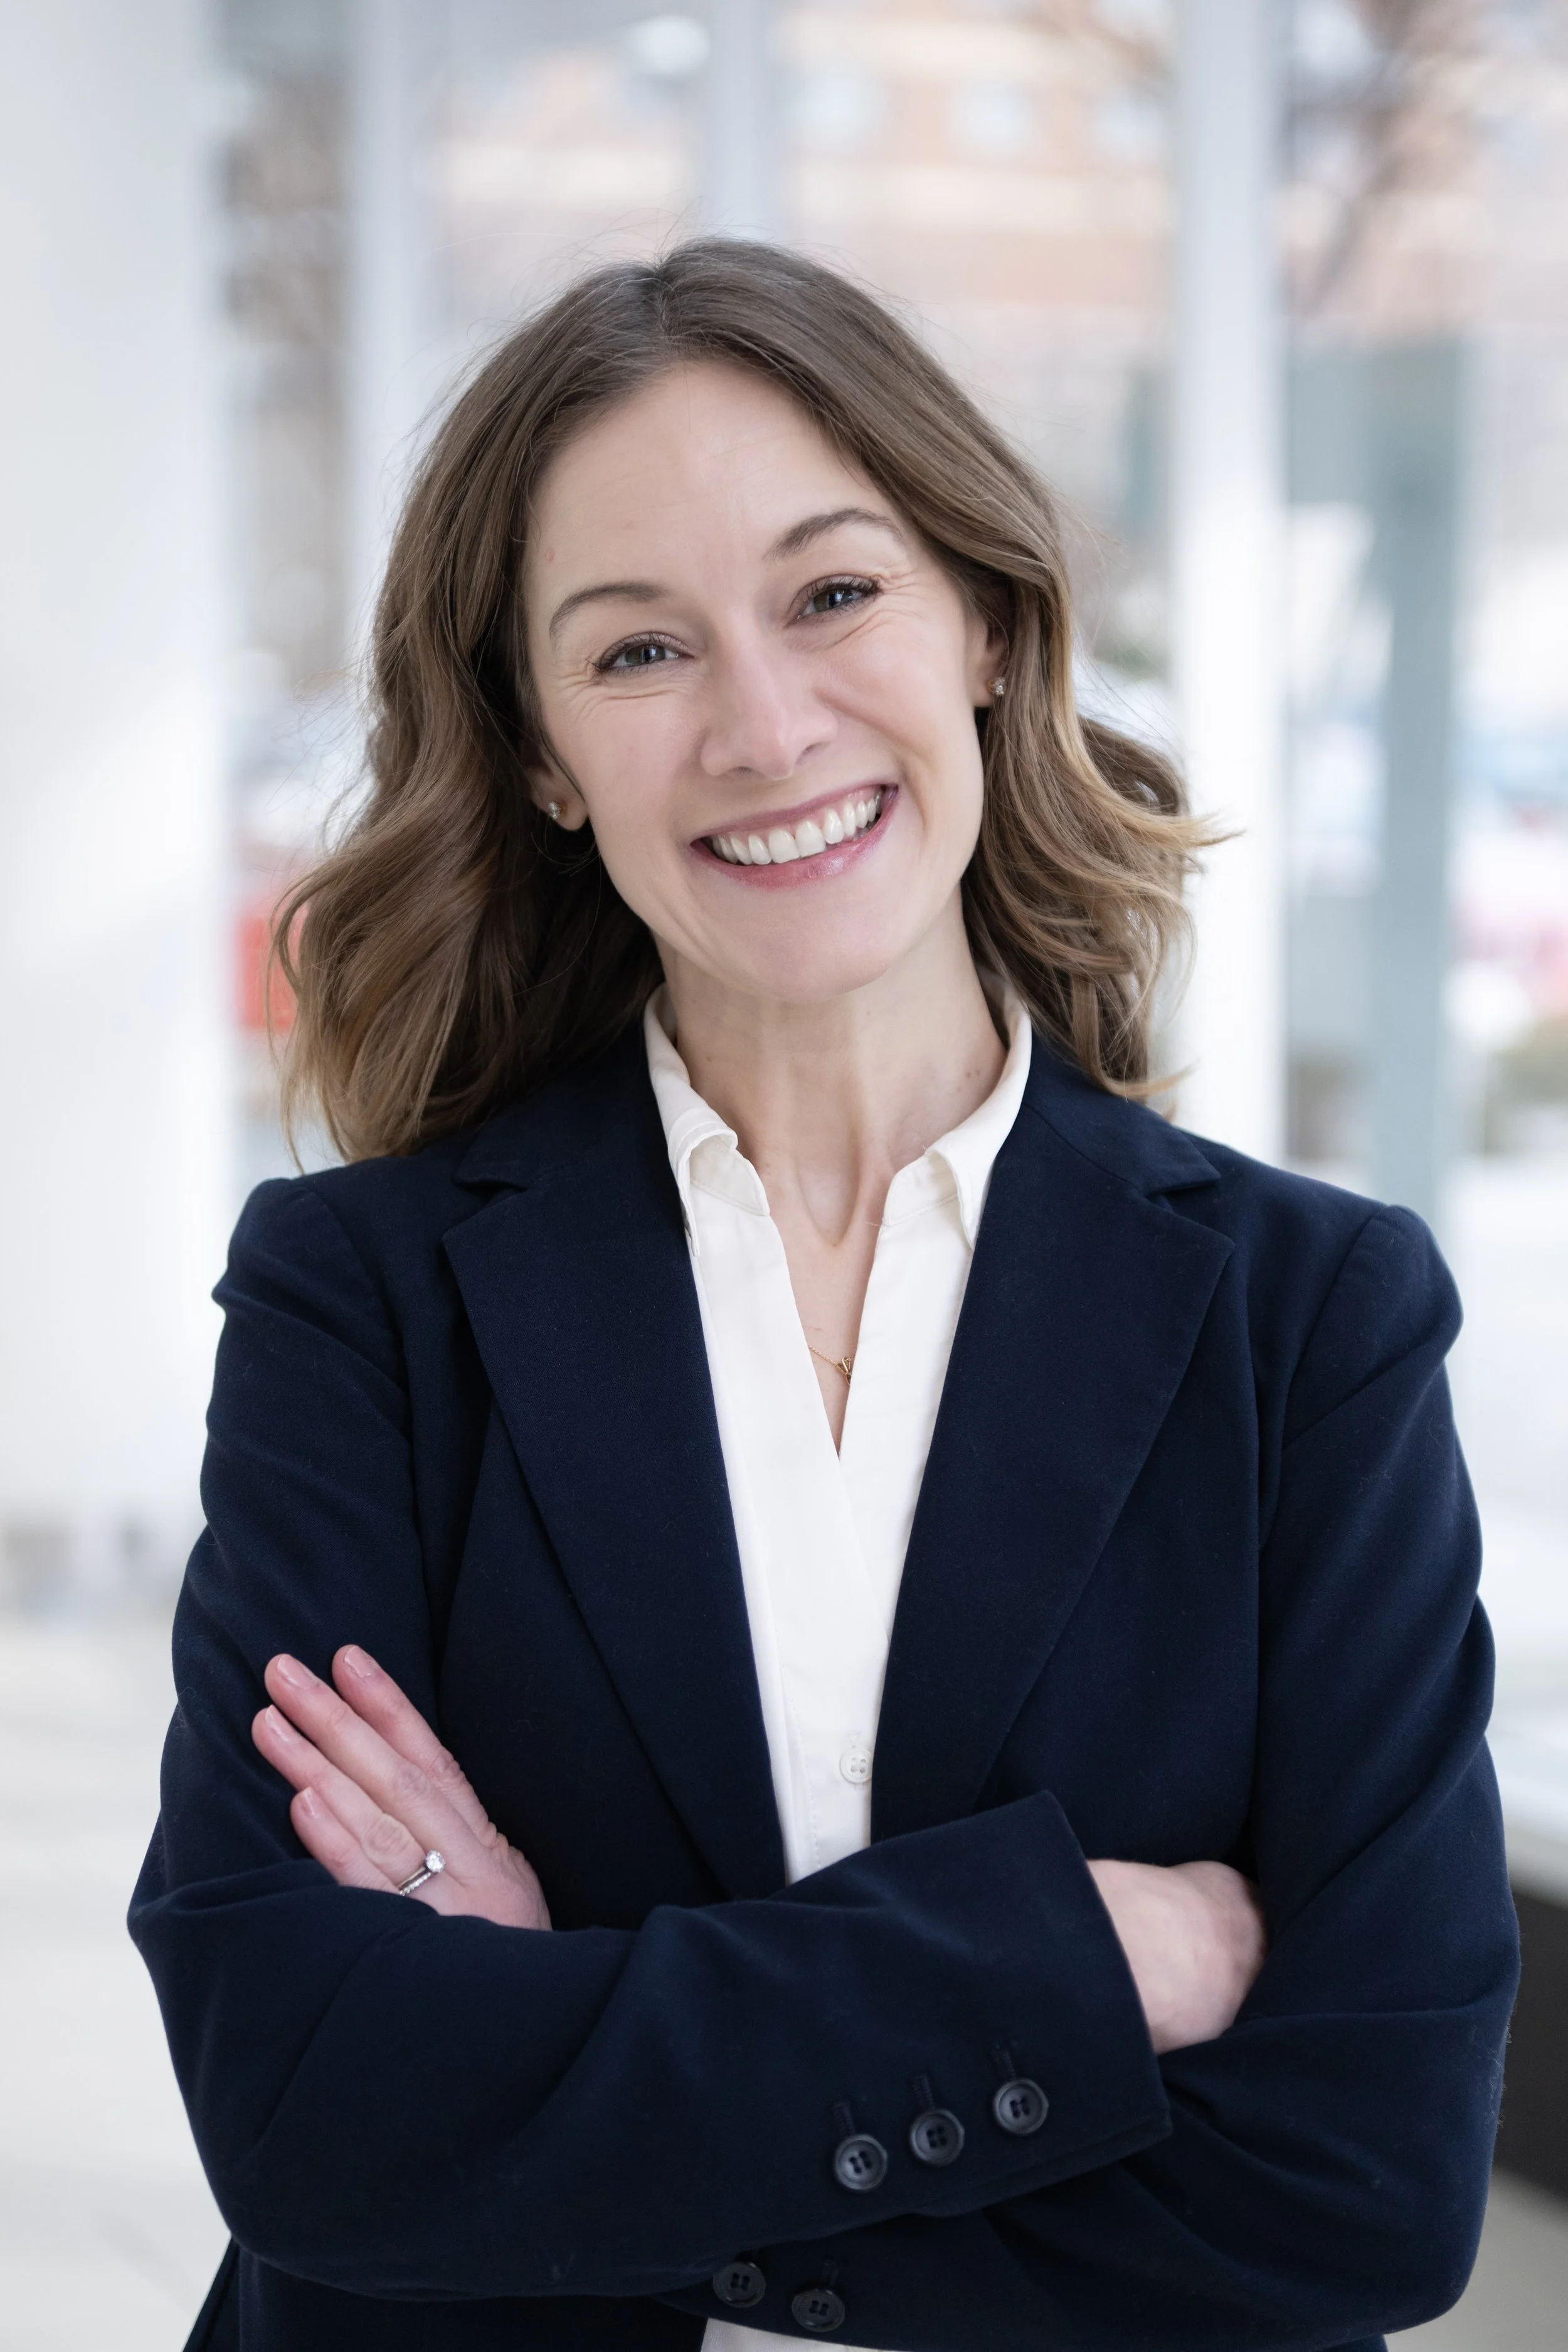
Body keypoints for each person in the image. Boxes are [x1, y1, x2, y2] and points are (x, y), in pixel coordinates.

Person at [132, 240, 1517, 2352]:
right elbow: (314, 2111)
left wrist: (566, 2068)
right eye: (637, 650)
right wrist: (1069, 1963)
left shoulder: (1310, 1322)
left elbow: (1366, 2184)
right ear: (536, 754)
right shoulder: (363, 1303)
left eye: (833, 593)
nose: (764, 726)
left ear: (981, 621)